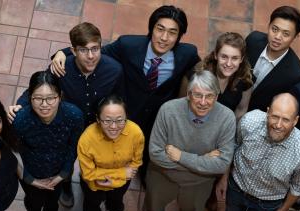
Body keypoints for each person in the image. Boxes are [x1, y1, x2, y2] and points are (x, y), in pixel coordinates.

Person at [51, 5, 201, 187]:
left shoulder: (188, 53)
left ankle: (145, 173)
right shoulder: (128, 45)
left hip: (157, 117)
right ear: (151, 28)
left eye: (172, 32)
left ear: (179, 37)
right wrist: (63, 52)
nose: (164, 37)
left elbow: (199, 68)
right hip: (128, 112)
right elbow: (94, 52)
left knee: (148, 148)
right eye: (159, 29)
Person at [9, 22, 123, 208]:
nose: (91, 56)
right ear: (73, 50)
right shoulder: (60, 69)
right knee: (66, 158)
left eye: (95, 49)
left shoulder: (115, 70)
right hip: (68, 127)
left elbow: (119, 99)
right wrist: (18, 105)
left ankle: (88, 185)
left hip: (98, 130)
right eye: (84, 50)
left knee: (94, 162)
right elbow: (40, 88)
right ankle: (66, 185)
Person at [209, 93, 300, 211]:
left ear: (295, 121)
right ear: (267, 112)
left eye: (286, 119)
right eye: (275, 116)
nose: (278, 125)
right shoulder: (249, 121)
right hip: (236, 186)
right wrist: (223, 178)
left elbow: (298, 188)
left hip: (267, 201)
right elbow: (233, 146)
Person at [142, 70, 236, 211]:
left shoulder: (227, 118)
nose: (203, 102)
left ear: (217, 96)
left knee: (193, 210)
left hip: (198, 181)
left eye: (209, 96)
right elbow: (155, 154)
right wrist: (202, 161)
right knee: (153, 203)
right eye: (197, 95)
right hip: (163, 174)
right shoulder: (168, 110)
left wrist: (181, 157)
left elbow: (222, 165)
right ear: (188, 94)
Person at [179, 32, 253, 211]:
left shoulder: (245, 81)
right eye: (224, 57)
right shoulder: (196, 74)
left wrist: (227, 140)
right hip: (194, 126)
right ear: (215, 55)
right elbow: (181, 104)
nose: (229, 63)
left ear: (241, 59)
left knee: (219, 163)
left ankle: (211, 193)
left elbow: (241, 111)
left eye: (235, 58)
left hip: (222, 133)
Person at [12, 71, 84, 211]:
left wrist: (63, 174)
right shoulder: (20, 120)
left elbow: (73, 147)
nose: (44, 104)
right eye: (38, 98)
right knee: (33, 201)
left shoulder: (74, 116)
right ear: (30, 98)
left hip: (58, 171)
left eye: (51, 98)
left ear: (60, 96)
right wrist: (30, 179)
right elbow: (14, 153)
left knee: (53, 199)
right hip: (30, 172)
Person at [77, 94, 144, 211]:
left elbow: (136, 163)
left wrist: (111, 177)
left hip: (119, 184)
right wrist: (122, 174)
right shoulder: (87, 139)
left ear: (126, 118)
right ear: (98, 120)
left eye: (120, 120)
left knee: (116, 203)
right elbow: (88, 174)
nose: (114, 127)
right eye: (107, 120)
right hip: (94, 185)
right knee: (92, 204)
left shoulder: (136, 133)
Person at [246, 6, 300, 112]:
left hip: (259, 115)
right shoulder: (253, 40)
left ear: (295, 36)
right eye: (274, 29)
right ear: (268, 26)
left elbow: (283, 106)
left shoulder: (295, 74)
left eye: (286, 34)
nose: (277, 37)